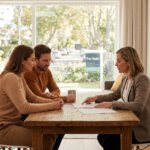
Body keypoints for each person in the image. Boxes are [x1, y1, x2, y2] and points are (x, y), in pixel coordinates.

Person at [82, 47, 150, 150]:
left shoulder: (142, 79)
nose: (115, 64)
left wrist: (112, 104)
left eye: (119, 61)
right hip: (129, 123)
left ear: (129, 62)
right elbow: (115, 95)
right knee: (102, 136)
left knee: (109, 141)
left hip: (140, 129)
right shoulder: (126, 78)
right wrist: (95, 98)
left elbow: (138, 105)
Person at [0, 45, 63, 149]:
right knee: (44, 139)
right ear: (22, 61)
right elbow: (24, 108)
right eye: (32, 60)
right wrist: (52, 105)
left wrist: (53, 101)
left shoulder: (19, 76)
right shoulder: (11, 77)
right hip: (4, 128)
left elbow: (33, 98)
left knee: (51, 132)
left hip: (15, 123)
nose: (34, 64)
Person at [24, 44, 74, 150]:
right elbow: (37, 96)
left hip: (40, 108)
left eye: (49, 60)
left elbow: (56, 89)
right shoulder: (29, 74)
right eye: (45, 61)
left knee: (61, 128)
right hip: (27, 113)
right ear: (35, 60)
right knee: (54, 130)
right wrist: (64, 98)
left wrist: (53, 95)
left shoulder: (47, 71)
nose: (48, 64)